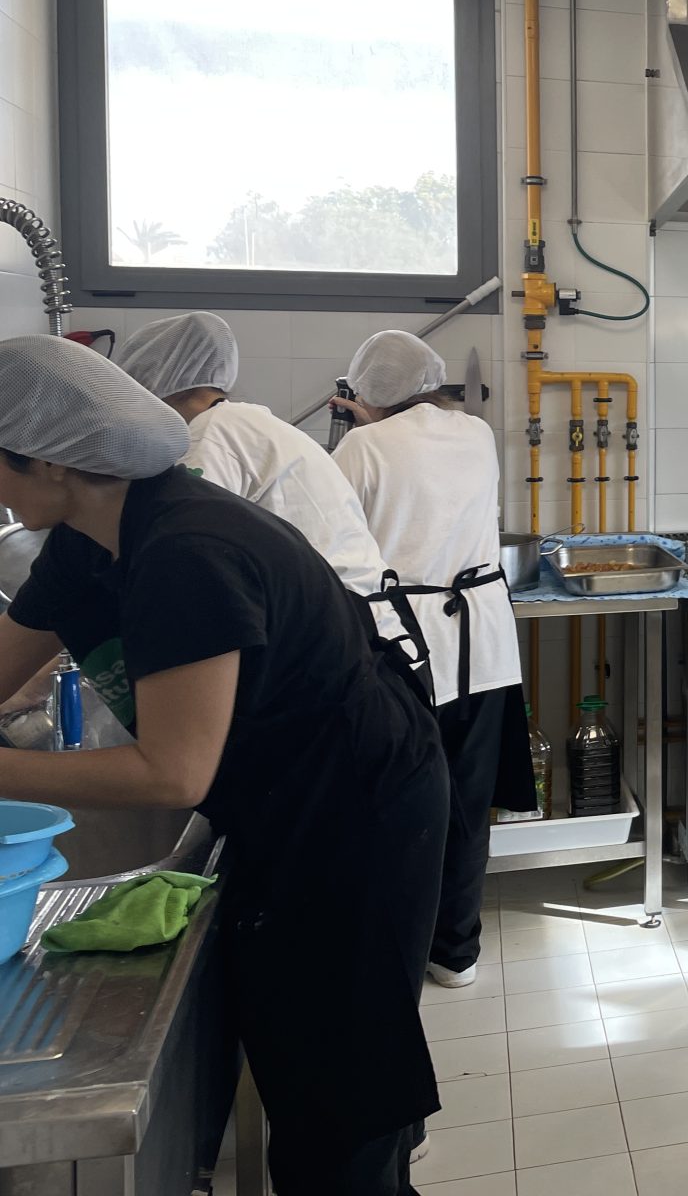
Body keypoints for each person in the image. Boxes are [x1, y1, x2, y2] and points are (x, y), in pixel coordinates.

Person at [0, 333, 445, 1196]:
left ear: (49, 462)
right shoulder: (91, 538)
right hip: (287, 794)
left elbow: (172, 776)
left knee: (339, 1111)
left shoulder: (185, 549)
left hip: (356, 806)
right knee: (312, 1071)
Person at [331, 331, 530, 989]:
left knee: (398, 801)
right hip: (484, 642)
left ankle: (398, 951)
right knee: (468, 805)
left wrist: (360, 428)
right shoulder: (476, 433)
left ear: (366, 391)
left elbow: (336, 542)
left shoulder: (361, 447)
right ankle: (456, 953)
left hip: (403, 648)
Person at [115, 312, 391, 604]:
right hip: (351, 600)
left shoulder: (211, 433)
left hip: (337, 609)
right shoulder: (246, 421)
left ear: (152, 385)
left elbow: (185, 535)